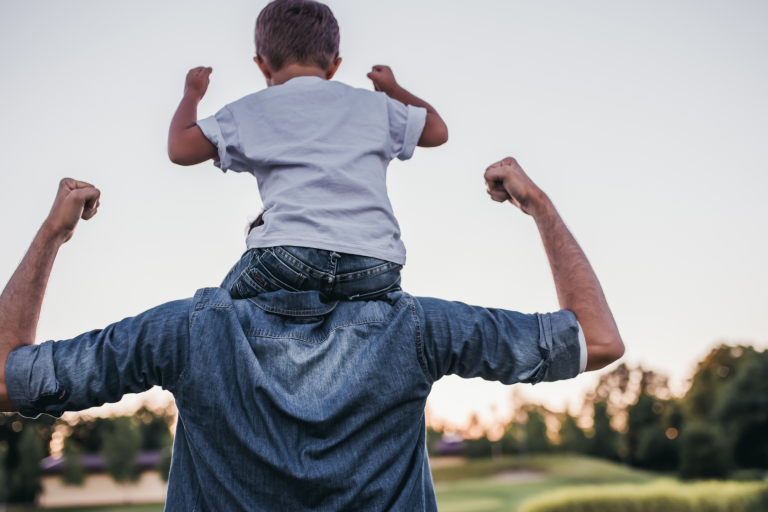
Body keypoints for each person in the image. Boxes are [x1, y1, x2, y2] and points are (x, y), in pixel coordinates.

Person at [0, 158, 624, 511]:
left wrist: (52, 235)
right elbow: (598, 340)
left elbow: (7, 378)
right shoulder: (416, 329)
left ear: (257, 241)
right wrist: (538, 205)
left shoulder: (187, 332)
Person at [167, 0, 449, 302]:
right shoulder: (374, 106)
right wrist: (393, 89)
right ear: (334, 66)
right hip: (376, 264)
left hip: (289, 257)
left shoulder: (252, 109)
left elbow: (180, 148)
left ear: (262, 64)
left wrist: (192, 94)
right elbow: (437, 130)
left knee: (216, 312)